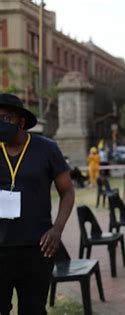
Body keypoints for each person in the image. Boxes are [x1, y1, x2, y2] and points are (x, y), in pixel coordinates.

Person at [0, 93, 75, 314]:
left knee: (32, 310)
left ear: (21, 121)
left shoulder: (46, 149)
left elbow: (68, 191)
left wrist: (57, 229)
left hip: (37, 248)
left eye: (5, 118)